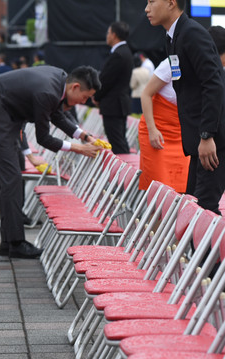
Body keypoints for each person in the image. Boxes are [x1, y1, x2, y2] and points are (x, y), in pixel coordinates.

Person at [0, 66, 103, 258]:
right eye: (84, 97)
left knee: (12, 177)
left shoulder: (60, 81)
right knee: (11, 178)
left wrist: (85, 136)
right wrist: (79, 147)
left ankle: (9, 243)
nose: (83, 102)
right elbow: (43, 138)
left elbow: (57, 115)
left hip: (3, 109)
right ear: (75, 87)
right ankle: (15, 243)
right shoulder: (48, 91)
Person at [145, 0, 225, 215]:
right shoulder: (174, 36)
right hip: (198, 141)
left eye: (152, 1)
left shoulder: (192, 34)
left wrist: (208, 135)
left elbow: (214, 83)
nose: (146, 8)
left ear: (171, 3)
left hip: (213, 141)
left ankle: (211, 250)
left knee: (202, 211)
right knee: (193, 206)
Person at [138, 58, 189, 192]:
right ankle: (152, 213)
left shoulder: (205, 65)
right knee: (159, 188)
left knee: (183, 186)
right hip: (156, 131)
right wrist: (152, 129)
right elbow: (146, 94)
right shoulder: (172, 63)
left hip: (181, 135)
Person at [93, 21, 134, 154]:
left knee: (117, 143)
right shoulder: (125, 52)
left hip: (113, 106)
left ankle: (125, 173)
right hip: (118, 105)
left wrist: (97, 96)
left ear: (114, 35)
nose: (107, 36)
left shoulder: (118, 54)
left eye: (108, 33)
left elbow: (106, 81)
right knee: (119, 140)